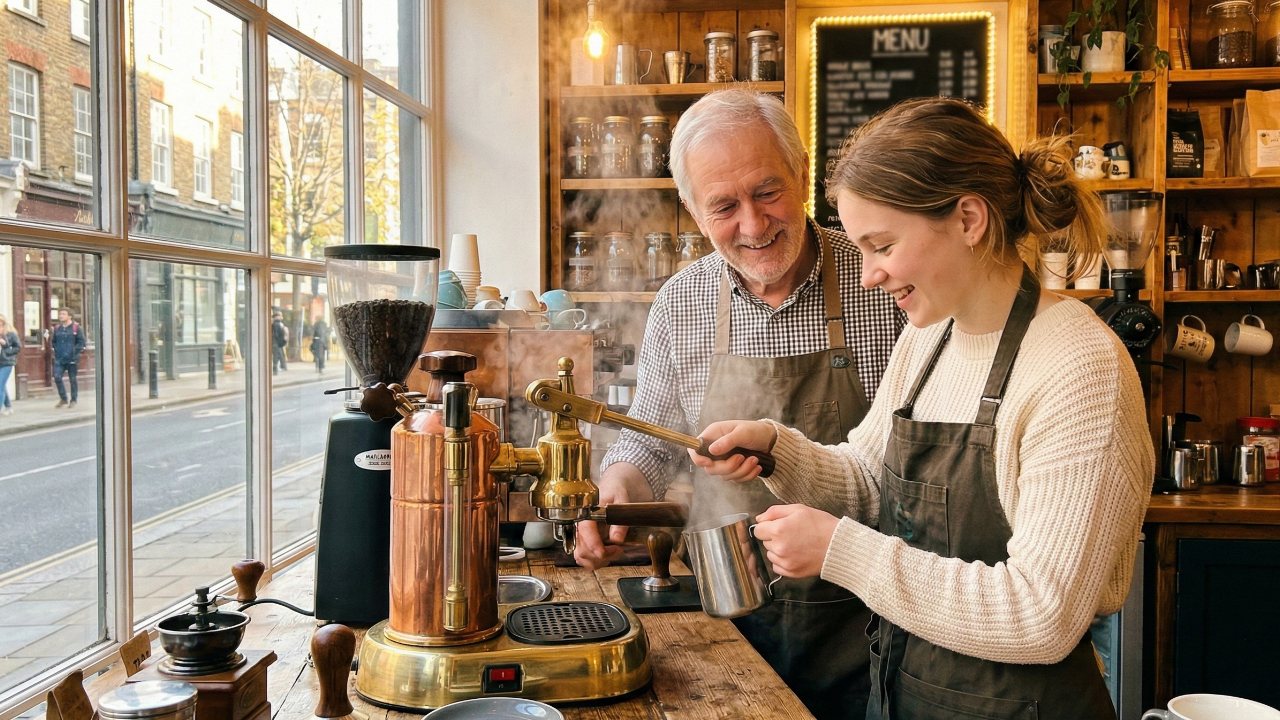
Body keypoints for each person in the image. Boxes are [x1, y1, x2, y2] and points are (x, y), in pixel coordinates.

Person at [693, 97, 1154, 720]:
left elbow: (1040, 613)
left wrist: (841, 552)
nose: (867, 276)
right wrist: (780, 448)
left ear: (968, 218)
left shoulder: (1079, 367)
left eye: (881, 245)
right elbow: (870, 482)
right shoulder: (931, 336)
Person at [575, 88, 906, 720]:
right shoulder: (681, 302)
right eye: (724, 205)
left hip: (869, 628)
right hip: (724, 628)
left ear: (803, 176)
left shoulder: (882, 282)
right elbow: (651, 438)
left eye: (768, 191)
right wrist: (614, 490)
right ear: (692, 209)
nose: (753, 225)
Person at [52, 308, 86, 408]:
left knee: (72, 379)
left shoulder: (76, 328)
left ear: (69, 316)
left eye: (63, 314)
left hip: (72, 358)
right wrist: (57, 350)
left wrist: (75, 352)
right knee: (57, 377)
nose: (61, 316)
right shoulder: (58, 328)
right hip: (60, 357)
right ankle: (63, 398)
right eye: (60, 314)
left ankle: (73, 400)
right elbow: (54, 341)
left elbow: (81, 342)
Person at [0, 315, 20, 416]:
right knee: (2, 385)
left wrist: (5, 345)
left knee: (0, 385)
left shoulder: (10, 334)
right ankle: (8, 406)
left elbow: (17, 347)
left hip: (6, 362)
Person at [271, 310, 289, 375]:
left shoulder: (277, 324)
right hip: (277, 342)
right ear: (277, 316)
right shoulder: (277, 324)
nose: (281, 317)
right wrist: (280, 341)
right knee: (277, 355)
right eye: (280, 315)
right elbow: (276, 334)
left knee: (280, 355)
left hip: (277, 342)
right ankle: (275, 369)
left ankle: (283, 366)